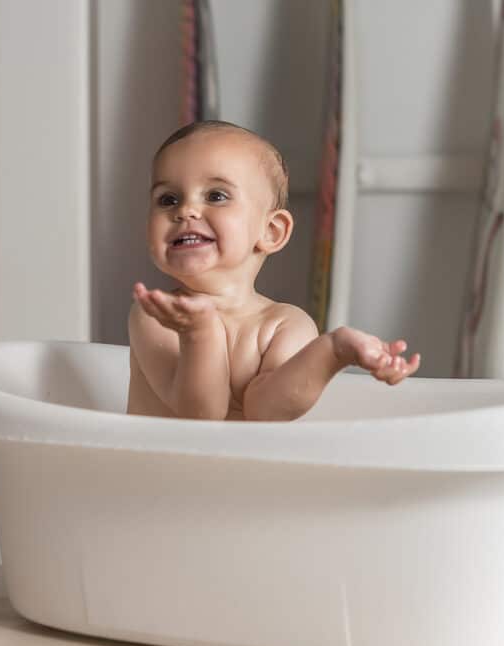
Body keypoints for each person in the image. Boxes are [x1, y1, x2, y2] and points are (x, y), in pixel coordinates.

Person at [127, 120, 420, 421]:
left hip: (247, 470)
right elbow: (201, 417)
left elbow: (267, 410)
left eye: (216, 195)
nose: (185, 210)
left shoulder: (285, 325)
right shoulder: (155, 316)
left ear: (271, 231)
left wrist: (333, 351)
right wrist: (198, 333)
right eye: (168, 199)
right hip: (158, 468)